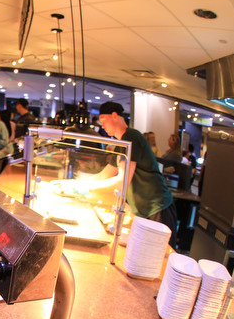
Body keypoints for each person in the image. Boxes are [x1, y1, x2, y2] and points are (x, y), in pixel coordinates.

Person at [59, 101, 177, 248]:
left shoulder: (131, 136)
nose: (102, 125)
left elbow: (122, 182)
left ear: (114, 116)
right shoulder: (122, 143)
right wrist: (77, 183)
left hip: (157, 207)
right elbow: (105, 174)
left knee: (157, 253)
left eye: (103, 120)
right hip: (144, 208)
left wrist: (85, 189)